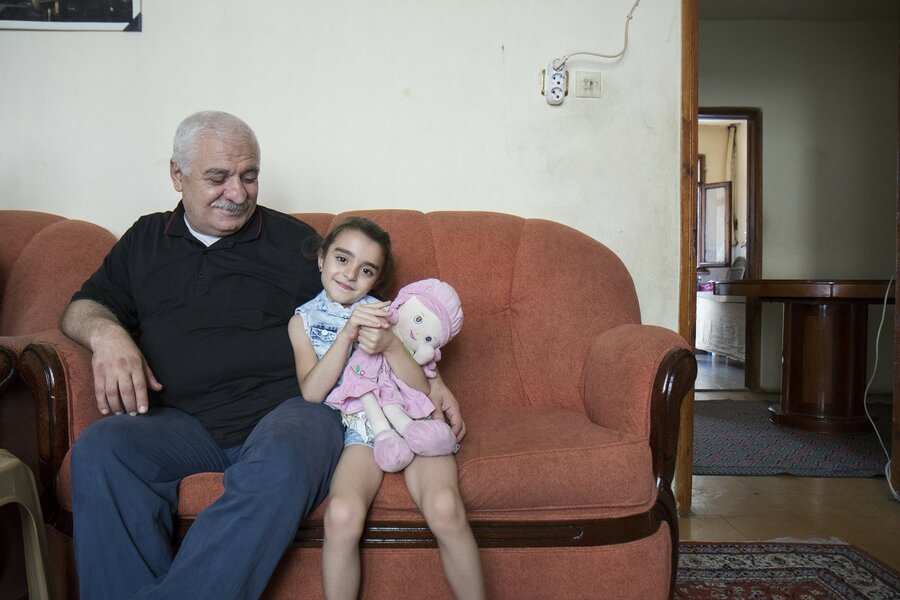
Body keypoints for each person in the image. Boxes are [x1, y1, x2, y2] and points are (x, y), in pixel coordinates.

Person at [61, 111, 465, 600]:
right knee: (102, 449)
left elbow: (379, 313)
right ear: (177, 175)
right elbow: (82, 307)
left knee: (286, 459)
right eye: (218, 177)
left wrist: (433, 382)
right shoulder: (145, 239)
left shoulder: (293, 244)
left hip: (287, 415)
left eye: (249, 176)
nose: (237, 193)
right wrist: (108, 335)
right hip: (179, 423)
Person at [288, 217, 486, 600]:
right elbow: (312, 392)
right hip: (362, 427)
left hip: (413, 415)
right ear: (321, 258)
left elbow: (421, 385)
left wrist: (393, 345)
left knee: (445, 506)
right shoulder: (302, 322)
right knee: (342, 514)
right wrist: (347, 335)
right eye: (342, 259)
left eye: (366, 270)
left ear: (377, 278)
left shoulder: (391, 312)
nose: (350, 275)